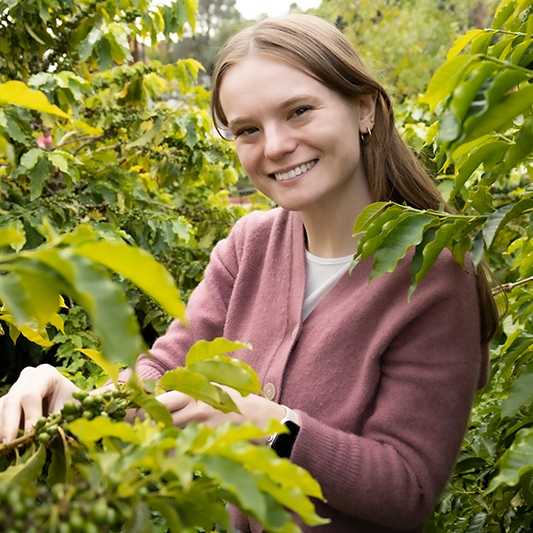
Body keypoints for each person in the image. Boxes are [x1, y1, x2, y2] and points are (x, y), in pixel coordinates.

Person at [0, 14, 499, 533]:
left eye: (299, 111)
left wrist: (271, 427)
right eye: (248, 130)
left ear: (364, 109)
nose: (276, 146)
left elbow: (408, 487)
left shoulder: (433, 275)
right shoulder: (248, 246)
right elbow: (164, 373)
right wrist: (74, 401)